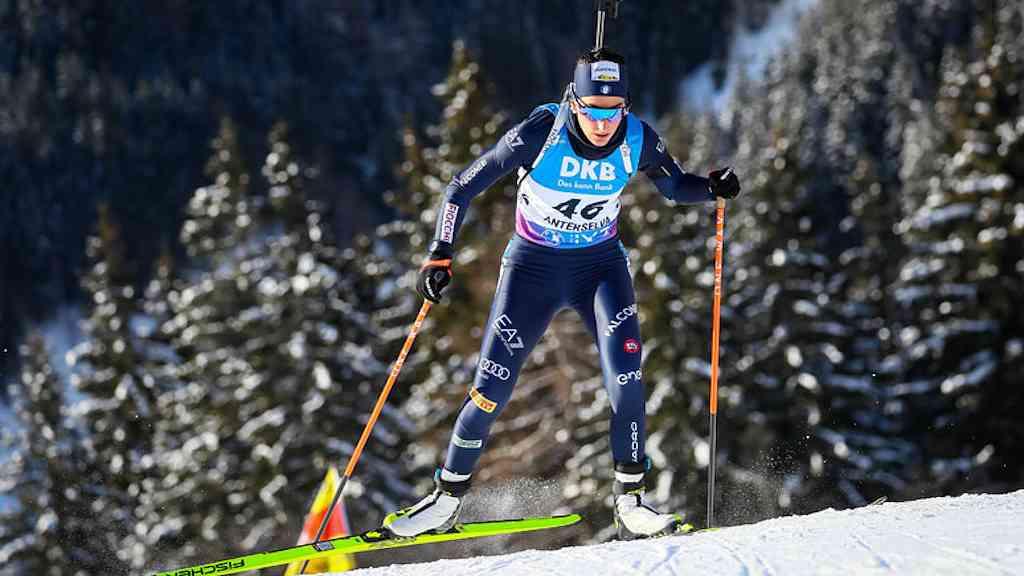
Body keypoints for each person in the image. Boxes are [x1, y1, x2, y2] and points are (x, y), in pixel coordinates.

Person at [382, 47, 741, 540]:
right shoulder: (539, 134)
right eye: (593, 111)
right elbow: (460, 188)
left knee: (627, 379)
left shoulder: (637, 138)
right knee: (490, 389)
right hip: (532, 269)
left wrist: (711, 187)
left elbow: (675, 187)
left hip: (600, 268)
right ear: (574, 101)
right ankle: (446, 499)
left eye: (613, 111)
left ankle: (630, 501)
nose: (603, 124)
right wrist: (439, 253)